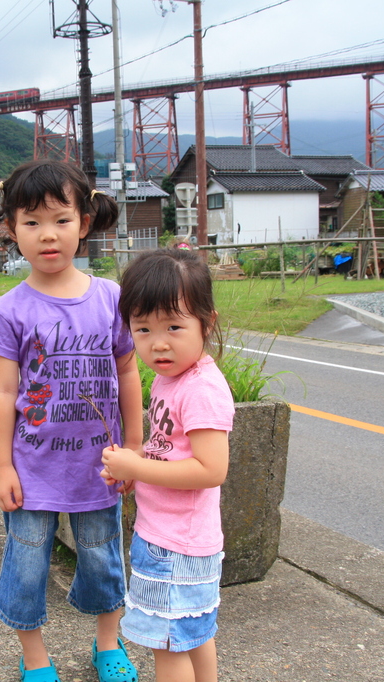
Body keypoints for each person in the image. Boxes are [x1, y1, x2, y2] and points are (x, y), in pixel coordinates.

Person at [0, 159, 142, 682]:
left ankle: (108, 645)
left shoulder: (112, 298)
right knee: (25, 566)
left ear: (85, 223)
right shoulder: (10, 309)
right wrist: (3, 467)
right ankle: (35, 658)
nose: (48, 235)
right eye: (31, 222)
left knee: (104, 559)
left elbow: (129, 374)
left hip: (101, 467)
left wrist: (134, 449)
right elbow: (4, 392)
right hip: (33, 469)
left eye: (61, 220)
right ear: (11, 231)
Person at [100, 249, 233, 682]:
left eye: (174, 326)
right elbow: (168, 452)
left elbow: (210, 470)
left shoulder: (200, 390)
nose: (158, 342)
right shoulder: (170, 377)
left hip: (175, 545)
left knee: (168, 644)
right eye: (143, 329)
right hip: (177, 539)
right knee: (193, 634)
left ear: (206, 323)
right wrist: (133, 466)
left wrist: (135, 468)